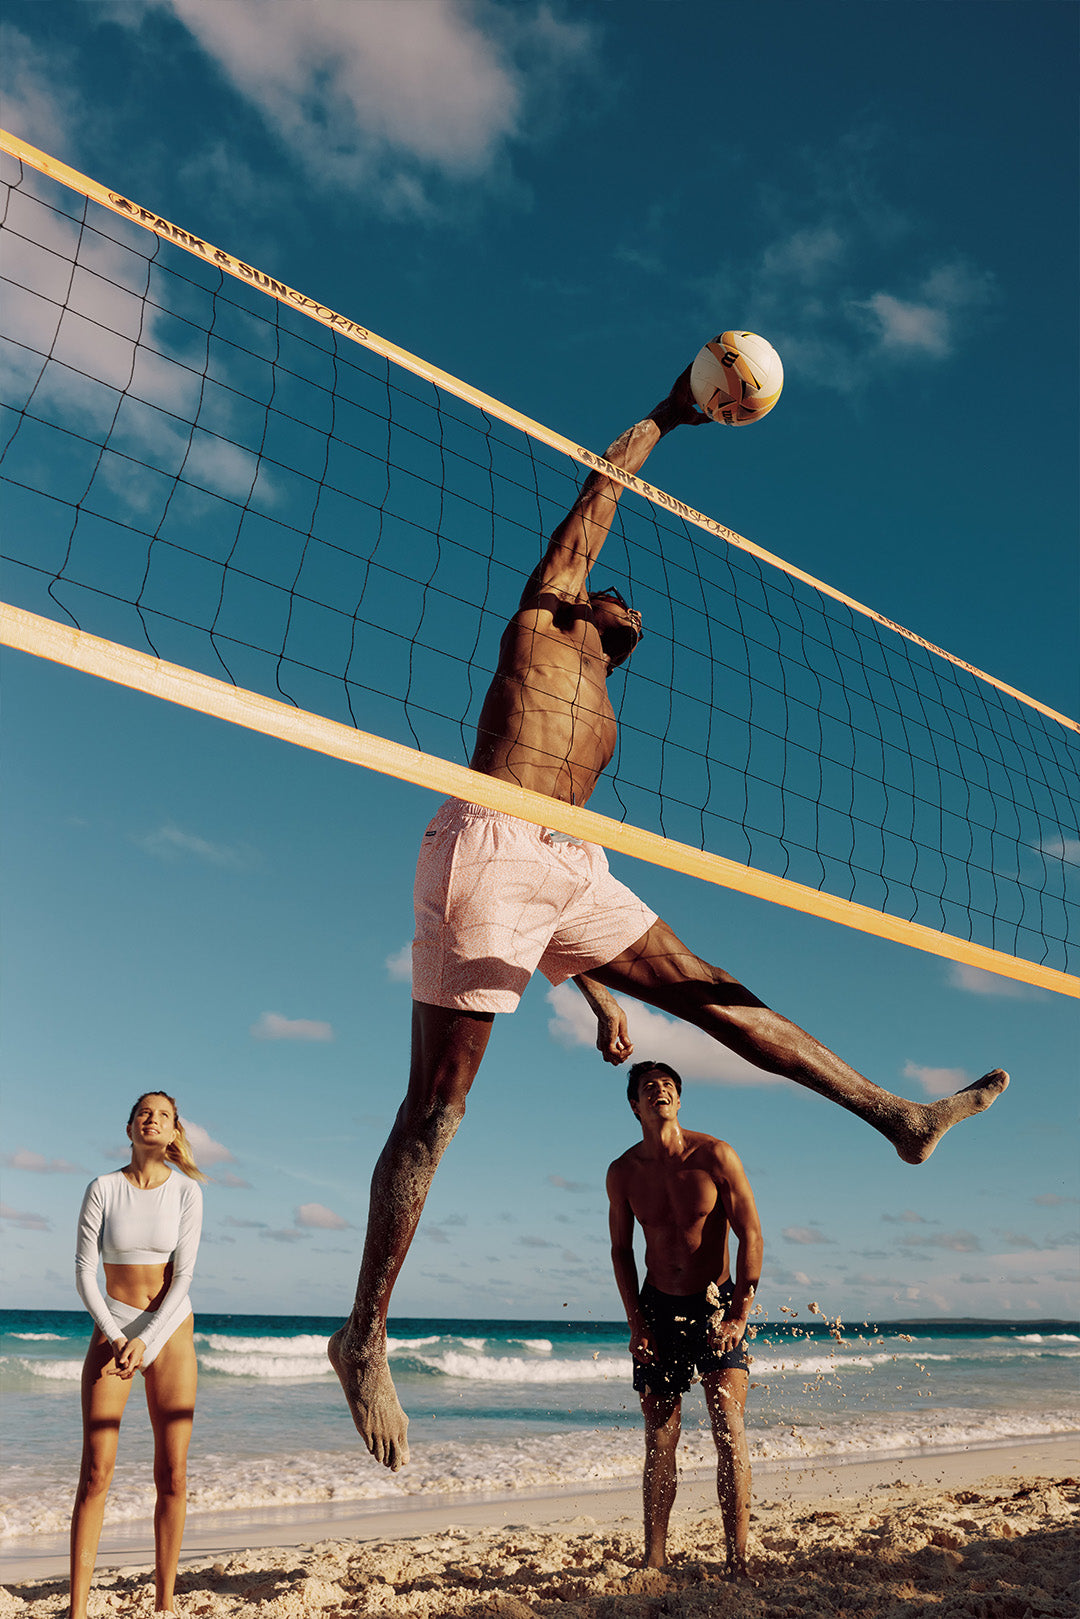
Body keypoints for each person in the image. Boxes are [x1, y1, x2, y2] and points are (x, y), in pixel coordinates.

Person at [329, 363, 1008, 1472]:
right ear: (577, 604)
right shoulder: (544, 623)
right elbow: (597, 499)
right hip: (490, 840)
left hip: (566, 864)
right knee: (439, 1105)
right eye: (612, 596)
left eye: (625, 608)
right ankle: (364, 1331)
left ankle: (893, 1114)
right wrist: (669, 410)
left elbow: (558, 905)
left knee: (718, 999)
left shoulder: (602, 701)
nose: (625, 602)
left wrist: (591, 989)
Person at [607, 1060, 762, 1574]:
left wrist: (739, 1314)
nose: (661, 1092)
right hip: (657, 1305)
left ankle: (738, 1559)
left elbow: (752, 1236)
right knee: (660, 1436)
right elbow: (621, 1251)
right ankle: (654, 1559)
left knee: (728, 1428)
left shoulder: (715, 1155)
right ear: (634, 1105)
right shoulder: (623, 1171)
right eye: (649, 1087)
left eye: (669, 1086)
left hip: (715, 1303)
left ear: (680, 1100)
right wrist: (637, 1323)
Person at [70, 1092, 205, 1619]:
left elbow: (186, 1276)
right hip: (114, 1326)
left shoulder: (187, 1192)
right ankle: (77, 1611)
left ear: (174, 1131)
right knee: (95, 1472)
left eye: (164, 1115)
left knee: (172, 1473)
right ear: (129, 1127)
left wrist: (146, 1339)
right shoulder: (102, 1188)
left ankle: (164, 1605)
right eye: (144, 1113)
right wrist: (116, 1333)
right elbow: (84, 1273)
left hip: (169, 1333)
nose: (153, 1120)